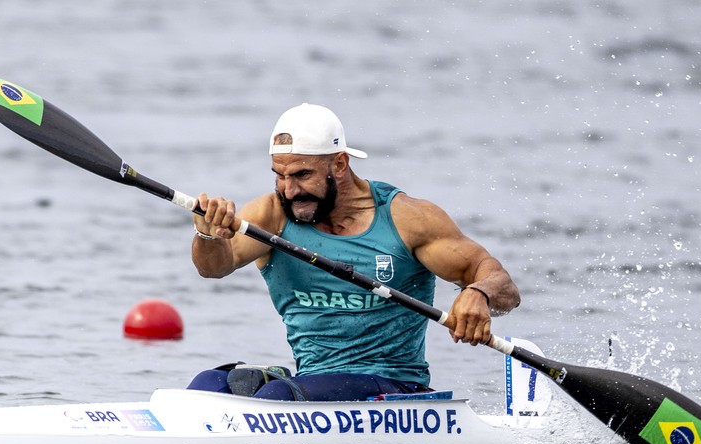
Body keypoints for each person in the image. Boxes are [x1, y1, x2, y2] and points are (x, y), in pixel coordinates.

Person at [188, 103, 520, 401]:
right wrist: (207, 234)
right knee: (209, 385)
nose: (289, 191)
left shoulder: (407, 219)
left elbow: (502, 284)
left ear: (341, 163)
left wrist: (479, 293)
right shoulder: (270, 216)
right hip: (311, 384)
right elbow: (215, 267)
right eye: (280, 176)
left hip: (393, 388)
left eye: (303, 175)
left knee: (276, 395)